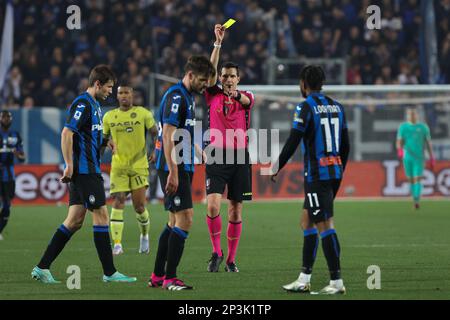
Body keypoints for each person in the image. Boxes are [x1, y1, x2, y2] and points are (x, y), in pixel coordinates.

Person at [31, 65, 136, 284]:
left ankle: (42, 267)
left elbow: (88, 135)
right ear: (97, 84)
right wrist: (69, 165)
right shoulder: (83, 103)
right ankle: (109, 273)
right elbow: (67, 132)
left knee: (74, 220)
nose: (111, 92)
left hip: (89, 169)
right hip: (85, 171)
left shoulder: (96, 106)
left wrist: (106, 142)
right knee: (101, 215)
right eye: (108, 87)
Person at [271, 65, 350, 295]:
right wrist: (339, 170)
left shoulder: (305, 107)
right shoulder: (338, 107)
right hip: (334, 172)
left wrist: (276, 166)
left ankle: (336, 281)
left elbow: (294, 139)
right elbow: (346, 145)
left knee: (325, 224)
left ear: (303, 83)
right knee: (307, 221)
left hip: (317, 175)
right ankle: (304, 279)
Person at [148, 56, 215, 291]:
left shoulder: (187, 95)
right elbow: (167, 135)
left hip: (182, 162)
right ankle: (170, 278)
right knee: (186, 219)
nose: (206, 85)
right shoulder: (176, 96)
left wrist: (196, 149)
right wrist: (173, 172)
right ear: (190, 75)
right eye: (203, 80)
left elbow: (181, 132)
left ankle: (158, 276)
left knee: (173, 221)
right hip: (173, 165)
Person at [204, 24, 255, 273]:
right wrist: (218, 43)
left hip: (240, 157)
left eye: (231, 76)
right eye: (224, 76)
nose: (227, 79)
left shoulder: (246, 97)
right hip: (216, 155)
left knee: (235, 209)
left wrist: (235, 95)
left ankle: (231, 260)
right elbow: (210, 71)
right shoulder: (212, 94)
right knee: (213, 205)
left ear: (238, 78)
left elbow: (246, 100)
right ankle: (216, 251)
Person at [102, 83, 158, 255]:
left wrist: (155, 150)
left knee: (139, 207)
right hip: (118, 166)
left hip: (139, 165)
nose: (124, 96)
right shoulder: (109, 117)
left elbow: (156, 132)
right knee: (118, 201)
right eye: (121, 93)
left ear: (132, 95)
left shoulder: (143, 114)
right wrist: (105, 143)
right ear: (117, 96)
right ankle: (117, 244)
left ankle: (144, 236)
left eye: (127, 93)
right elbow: (103, 138)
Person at [396, 108, 435, 209]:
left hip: (419, 157)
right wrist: (399, 150)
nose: (412, 116)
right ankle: (415, 198)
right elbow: (399, 141)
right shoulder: (403, 127)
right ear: (408, 116)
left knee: (417, 178)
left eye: (414, 114)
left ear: (417, 115)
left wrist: (431, 157)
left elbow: (428, 143)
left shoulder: (423, 127)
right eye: (410, 114)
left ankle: (417, 199)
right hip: (407, 156)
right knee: (411, 179)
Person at [0, 111, 26, 240]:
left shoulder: (15, 135)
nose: (5, 119)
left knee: (7, 205)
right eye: (3, 117)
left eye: (8, 117)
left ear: (11, 119)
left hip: (9, 176)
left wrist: (18, 155)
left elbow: (22, 157)